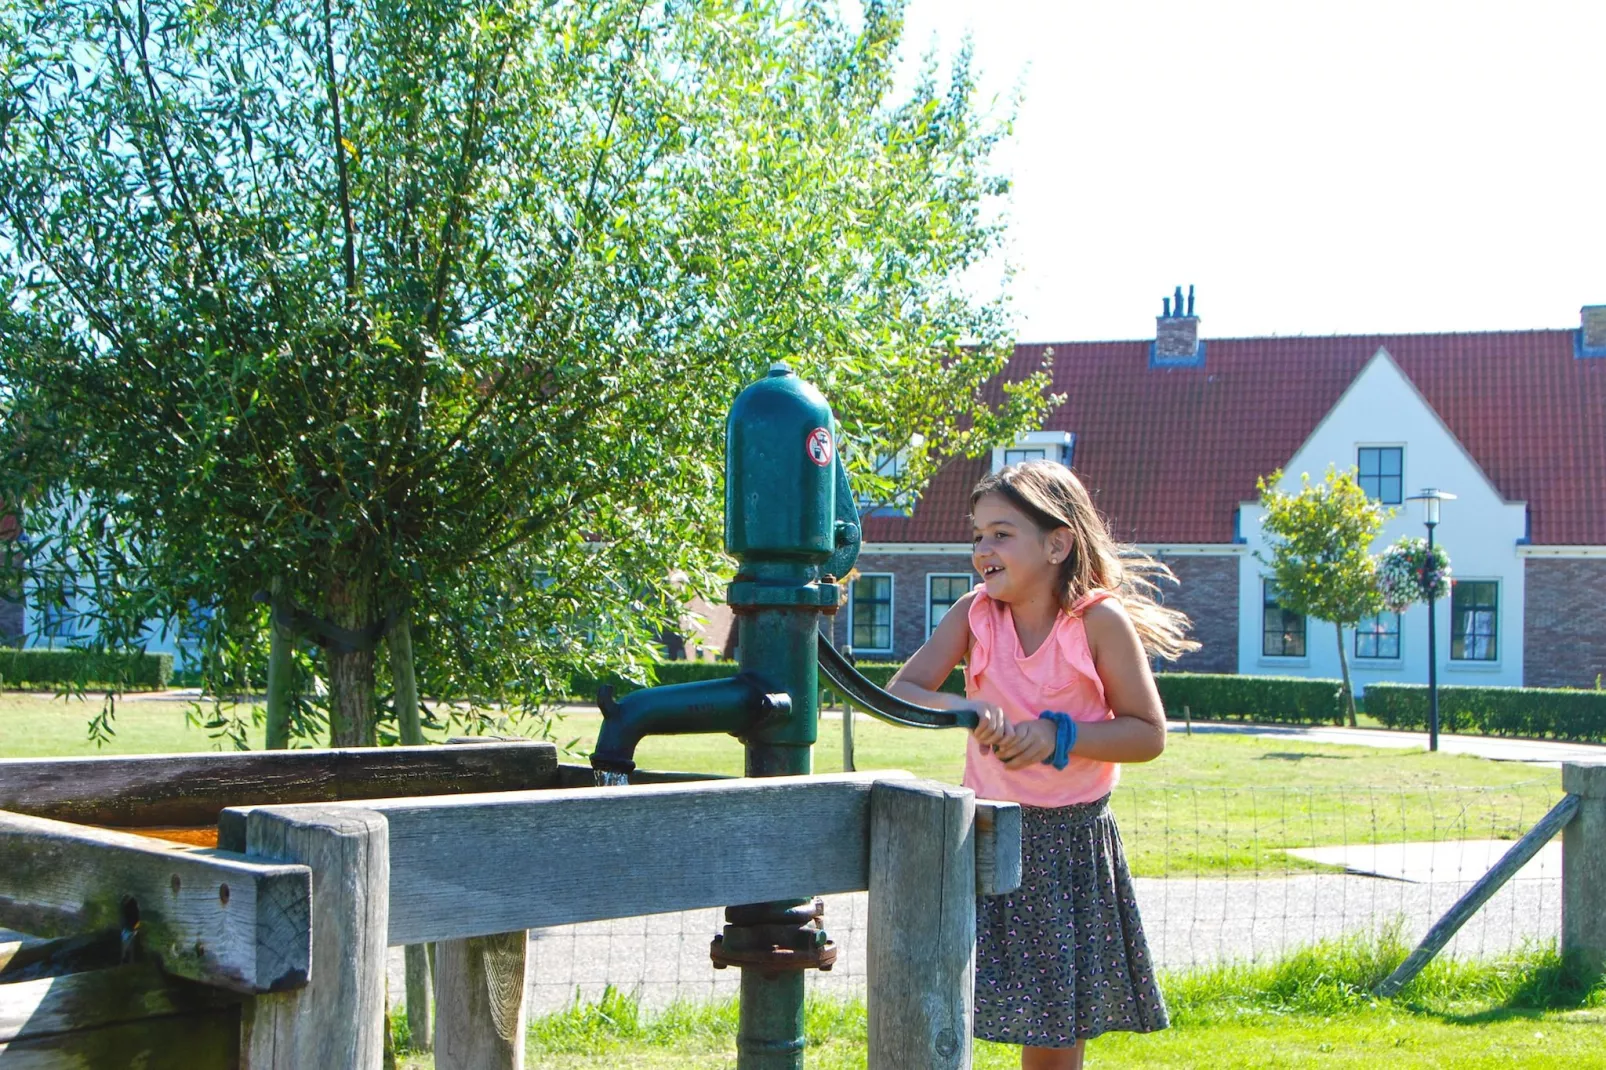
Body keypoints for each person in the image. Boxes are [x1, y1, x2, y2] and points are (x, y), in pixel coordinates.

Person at [888, 460, 1197, 1070]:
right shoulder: (975, 614)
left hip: (1066, 845)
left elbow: (1147, 734)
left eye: (1001, 534)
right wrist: (967, 709)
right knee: (952, 1005)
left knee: (1054, 1034)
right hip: (984, 832)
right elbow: (905, 692)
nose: (982, 550)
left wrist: (1059, 736)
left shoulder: (1096, 622)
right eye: (977, 536)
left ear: (1057, 543)